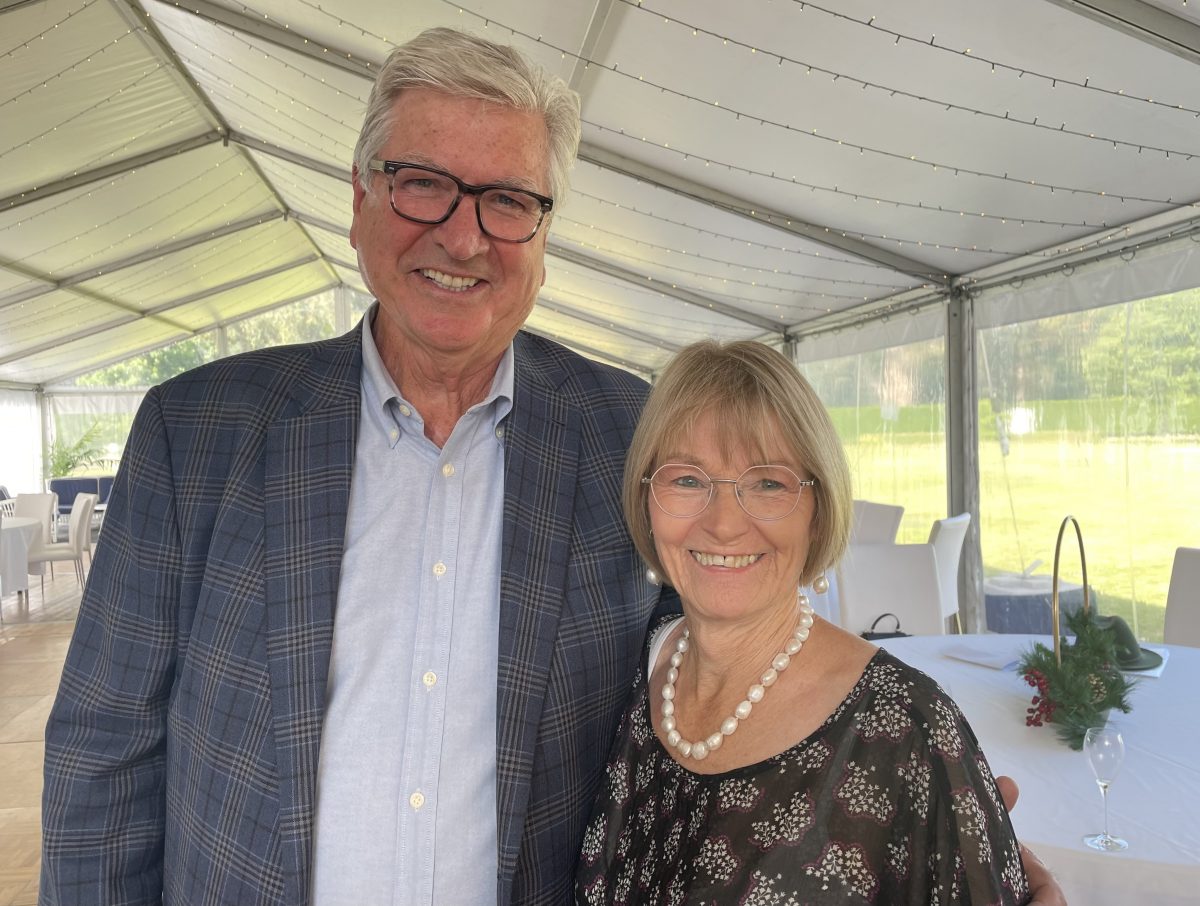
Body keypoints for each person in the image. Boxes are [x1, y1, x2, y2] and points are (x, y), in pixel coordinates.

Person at [40, 26, 1062, 906]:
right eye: (423, 184)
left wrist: (922, 811)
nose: (463, 235)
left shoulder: (632, 433)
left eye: (507, 201)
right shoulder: (201, 431)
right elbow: (102, 754)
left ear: (543, 235)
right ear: (359, 199)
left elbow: (726, 645)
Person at [576, 340, 1031, 904]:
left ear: (818, 510)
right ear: (647, 498)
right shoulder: (631, 675)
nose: (722, 524)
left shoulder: (908, 731)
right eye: (687, 479)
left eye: (768, 483)